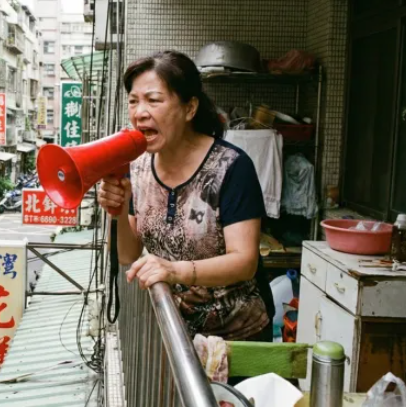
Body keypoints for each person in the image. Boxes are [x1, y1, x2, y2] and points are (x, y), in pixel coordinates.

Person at [98, 51, 275, 342]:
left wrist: (174, 270)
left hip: (239, 337)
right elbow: (127, 254)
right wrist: (115, 210)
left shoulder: (231, 167)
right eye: (133, 101)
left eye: (153, 100)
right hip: (175, 334)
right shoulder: (136, 166)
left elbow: (245, 262)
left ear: (190, 108)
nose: (140, 112)